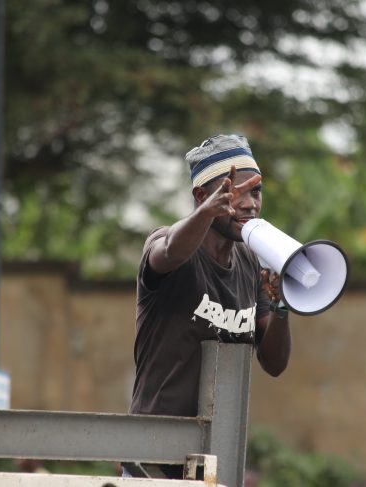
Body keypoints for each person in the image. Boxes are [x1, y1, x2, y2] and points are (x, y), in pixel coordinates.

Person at [126, 134, 291, 478]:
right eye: (236, 191)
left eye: (255, 192)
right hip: (152, 459)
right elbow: (170, 251)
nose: (250, 204)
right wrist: (204, 215)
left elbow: (273, 363)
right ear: (202, 196)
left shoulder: (250, 264)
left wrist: (282, 305)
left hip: (216, 460)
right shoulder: (167, 244)